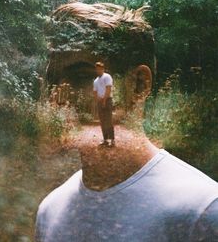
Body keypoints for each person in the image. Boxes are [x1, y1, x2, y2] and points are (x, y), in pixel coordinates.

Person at [35, 65, 218, 242]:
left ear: (138, 85)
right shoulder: (50, 210)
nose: (58, 97)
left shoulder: (204, 210)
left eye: (81, 76)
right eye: (53, 81)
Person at [93, 61, 115, 147]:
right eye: (97, 69)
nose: (98, 70)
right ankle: (105, 139)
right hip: (99, 101)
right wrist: (98, 99)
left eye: (100, 69)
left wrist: (104, 100)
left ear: (103, 69)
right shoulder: (96, 81)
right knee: (102, 121)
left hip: (107, 100)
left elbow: (108, 89)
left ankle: (112, 140)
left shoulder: (107, 77)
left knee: (108, 120)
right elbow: (94, 92)